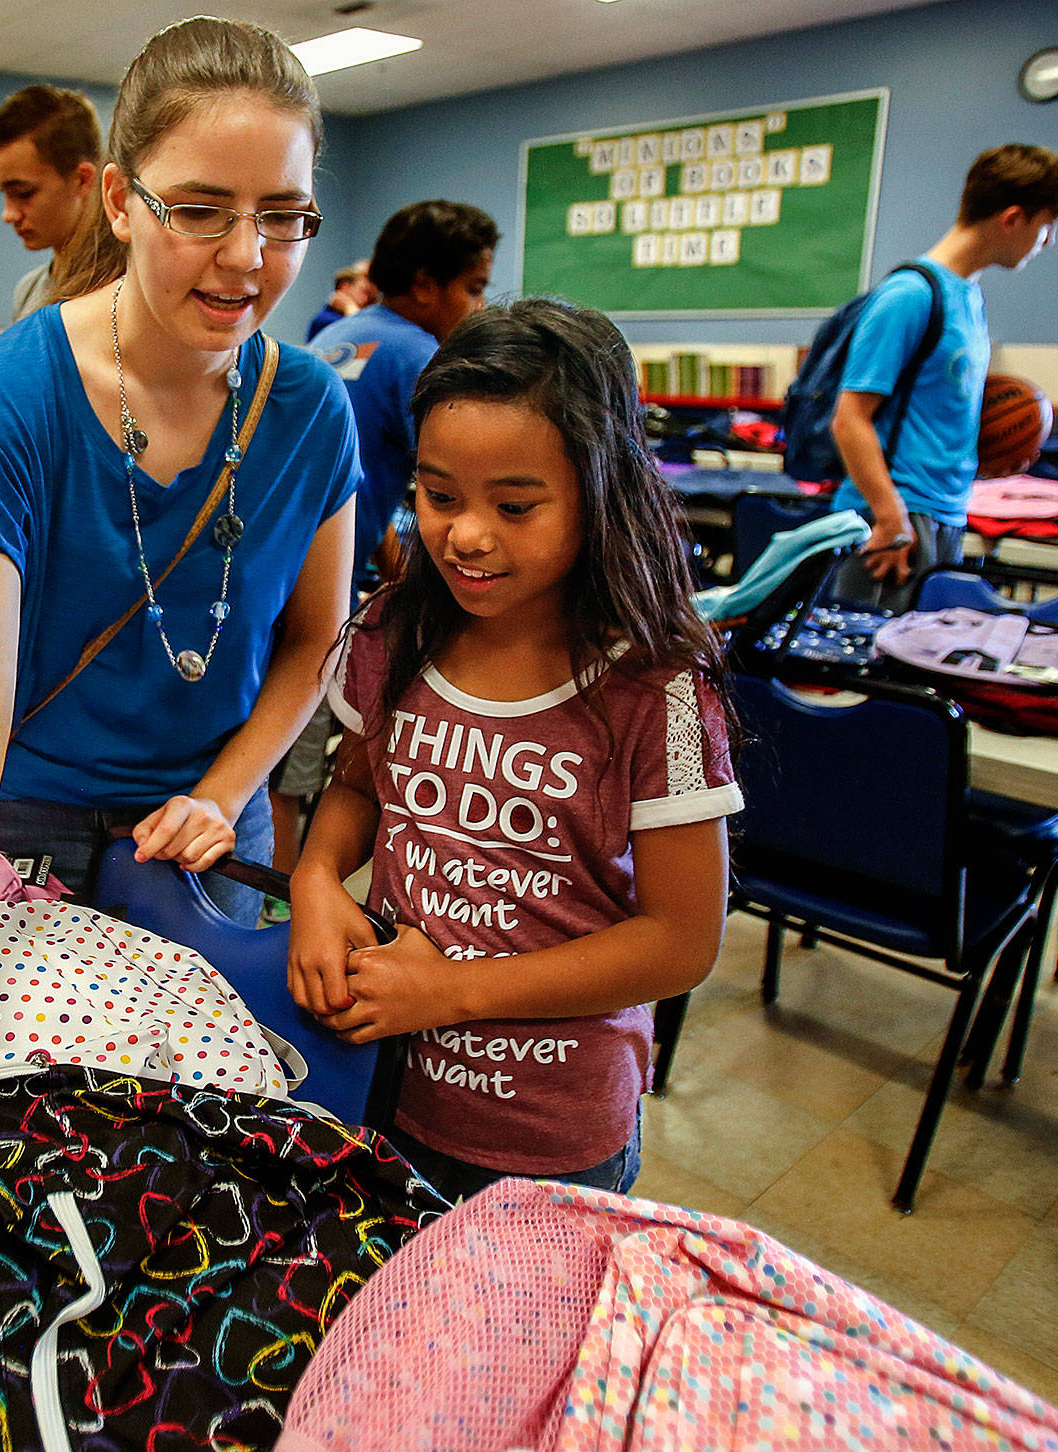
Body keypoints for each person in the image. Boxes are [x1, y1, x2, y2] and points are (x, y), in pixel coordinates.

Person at [0, 18, 360, 1156]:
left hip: (195, 834)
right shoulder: (15, 391)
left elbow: (315, 641)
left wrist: (224, 791)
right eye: (200, 209)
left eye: (281, 217)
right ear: (123, 201)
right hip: (19, 815)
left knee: (185, 1152)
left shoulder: (312, 411)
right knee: (8, 1140)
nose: (245, 257)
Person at [287, 299, 740, 1202]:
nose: (466, 534)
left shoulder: (656, 689)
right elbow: (356, 784)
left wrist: (451, 991)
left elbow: (683, 941)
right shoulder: (391, 629)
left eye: (516, 505)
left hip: (551, 1138)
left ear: (600, 491)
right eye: (438, 495)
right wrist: (314, 880)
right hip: (382, 1087)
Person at [267, 202, 499, 875]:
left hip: (266, 568)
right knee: (291, 767)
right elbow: (453, 483)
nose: (479, 307)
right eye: (475, 288)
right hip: (305, 591)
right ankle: (279, 905)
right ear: (425, 284)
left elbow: (356, 483)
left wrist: (392, 561)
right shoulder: (421, 355)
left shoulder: (346, 333)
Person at [829, 143, 1058, 608]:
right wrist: (890, 517)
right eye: (1046, 225)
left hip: (945, 511)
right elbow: (849, 420)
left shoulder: (969, 297)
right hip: (895, 516)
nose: (1047, 241)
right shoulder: (908, 296)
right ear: (1011, 218)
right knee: (868, 670)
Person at [0, 84, 103, 322]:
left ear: (82, 179)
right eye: (2, 191)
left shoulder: (128, 285)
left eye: (24, 193)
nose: (8, 214)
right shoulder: (29, 291)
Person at [304, 260, 375, 341]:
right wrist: (349, 307)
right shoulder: (327, 321)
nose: (366, 299)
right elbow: (366, 333)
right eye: (363, 292)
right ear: (345, 287)